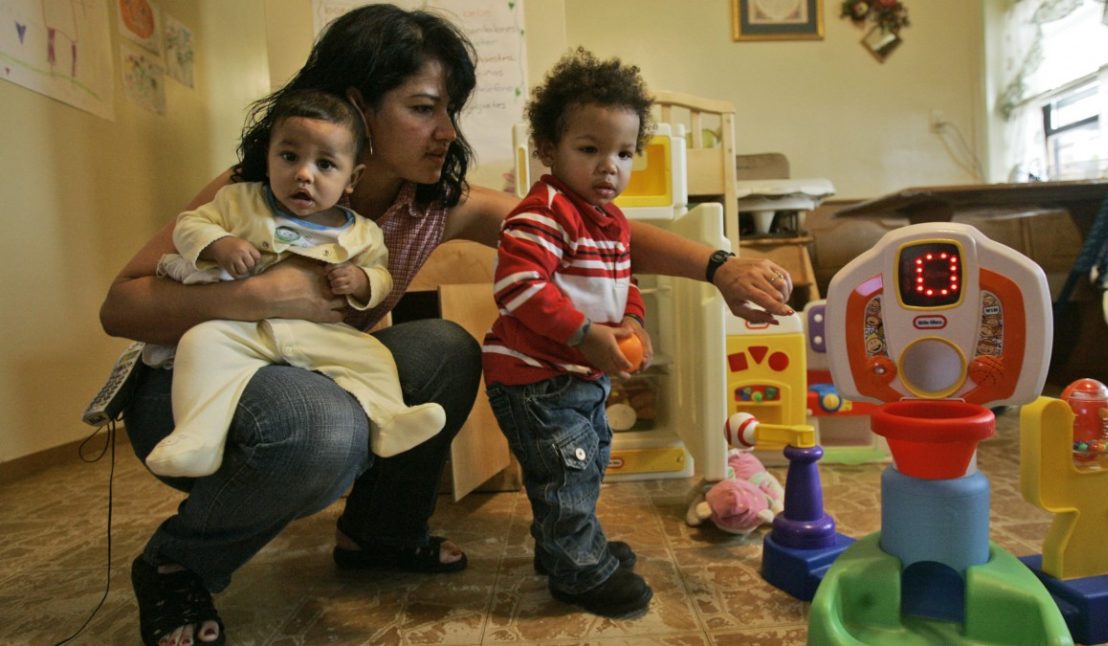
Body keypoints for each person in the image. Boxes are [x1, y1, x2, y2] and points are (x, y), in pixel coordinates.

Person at [98, 4, 795, 644]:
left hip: (316, 370)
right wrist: (260, 295)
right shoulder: (260, 187)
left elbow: (580, 227)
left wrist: (719, 266)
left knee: (446, 348)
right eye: (425, 108)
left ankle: (380, 535)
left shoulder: (431, 203)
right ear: (357, 105)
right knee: (324, 428)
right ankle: (177, 567)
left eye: (450, 110)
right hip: (197, 390)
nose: (447, 132)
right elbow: (120, 305)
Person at [144, 89, 446, 478]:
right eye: (289, 157)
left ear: (351, 178)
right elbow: (190, 224)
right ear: (268, 158)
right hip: (240, 330)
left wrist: (359, 281)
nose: (304, 174)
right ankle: (196, 437)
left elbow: (382, 276)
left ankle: (390, 418)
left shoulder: (361, 234)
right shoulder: (239, 202)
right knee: (200, 346)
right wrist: (221, 244)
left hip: (314, 334)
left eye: (325, 164)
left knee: (371, 357)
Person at [482, 48, 656, 617]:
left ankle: (565, 547)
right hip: (535, 377)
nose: (610, 166)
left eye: (624, 153)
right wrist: (584, 334)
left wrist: (631, 320)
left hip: (579, 373)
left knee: (590, 459)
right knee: (568, 467)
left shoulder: (613, 221)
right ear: (548, 150)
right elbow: (519, 286)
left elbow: (622, 283)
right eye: (590, 149)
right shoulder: (546, 212)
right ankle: (577, 572)